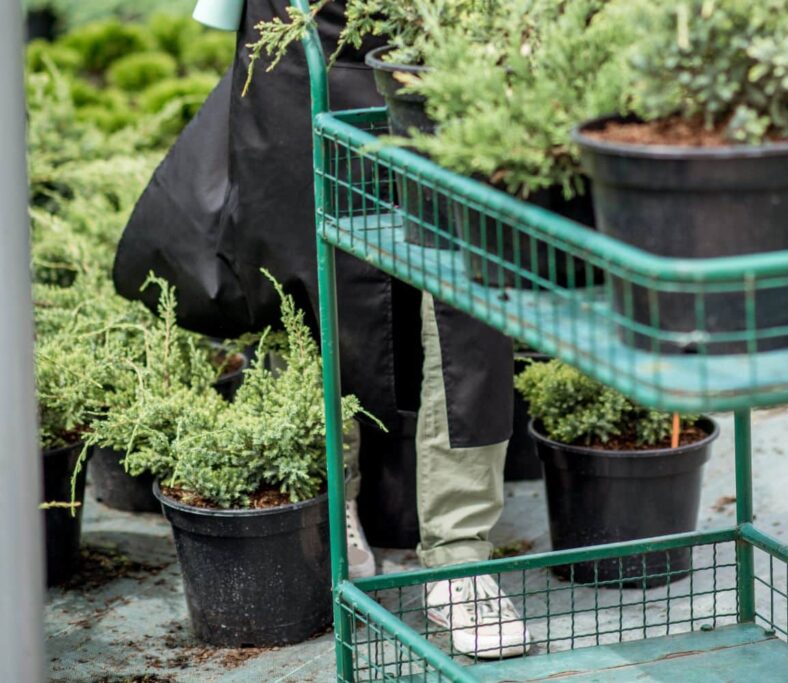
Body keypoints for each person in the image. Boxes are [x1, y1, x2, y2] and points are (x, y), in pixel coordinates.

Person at [113, 0, 529, 658]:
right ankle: (338, 502)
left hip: (451, 24)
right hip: (299, 19)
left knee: (468, 275)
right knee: (306, 264)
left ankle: (459, 552)